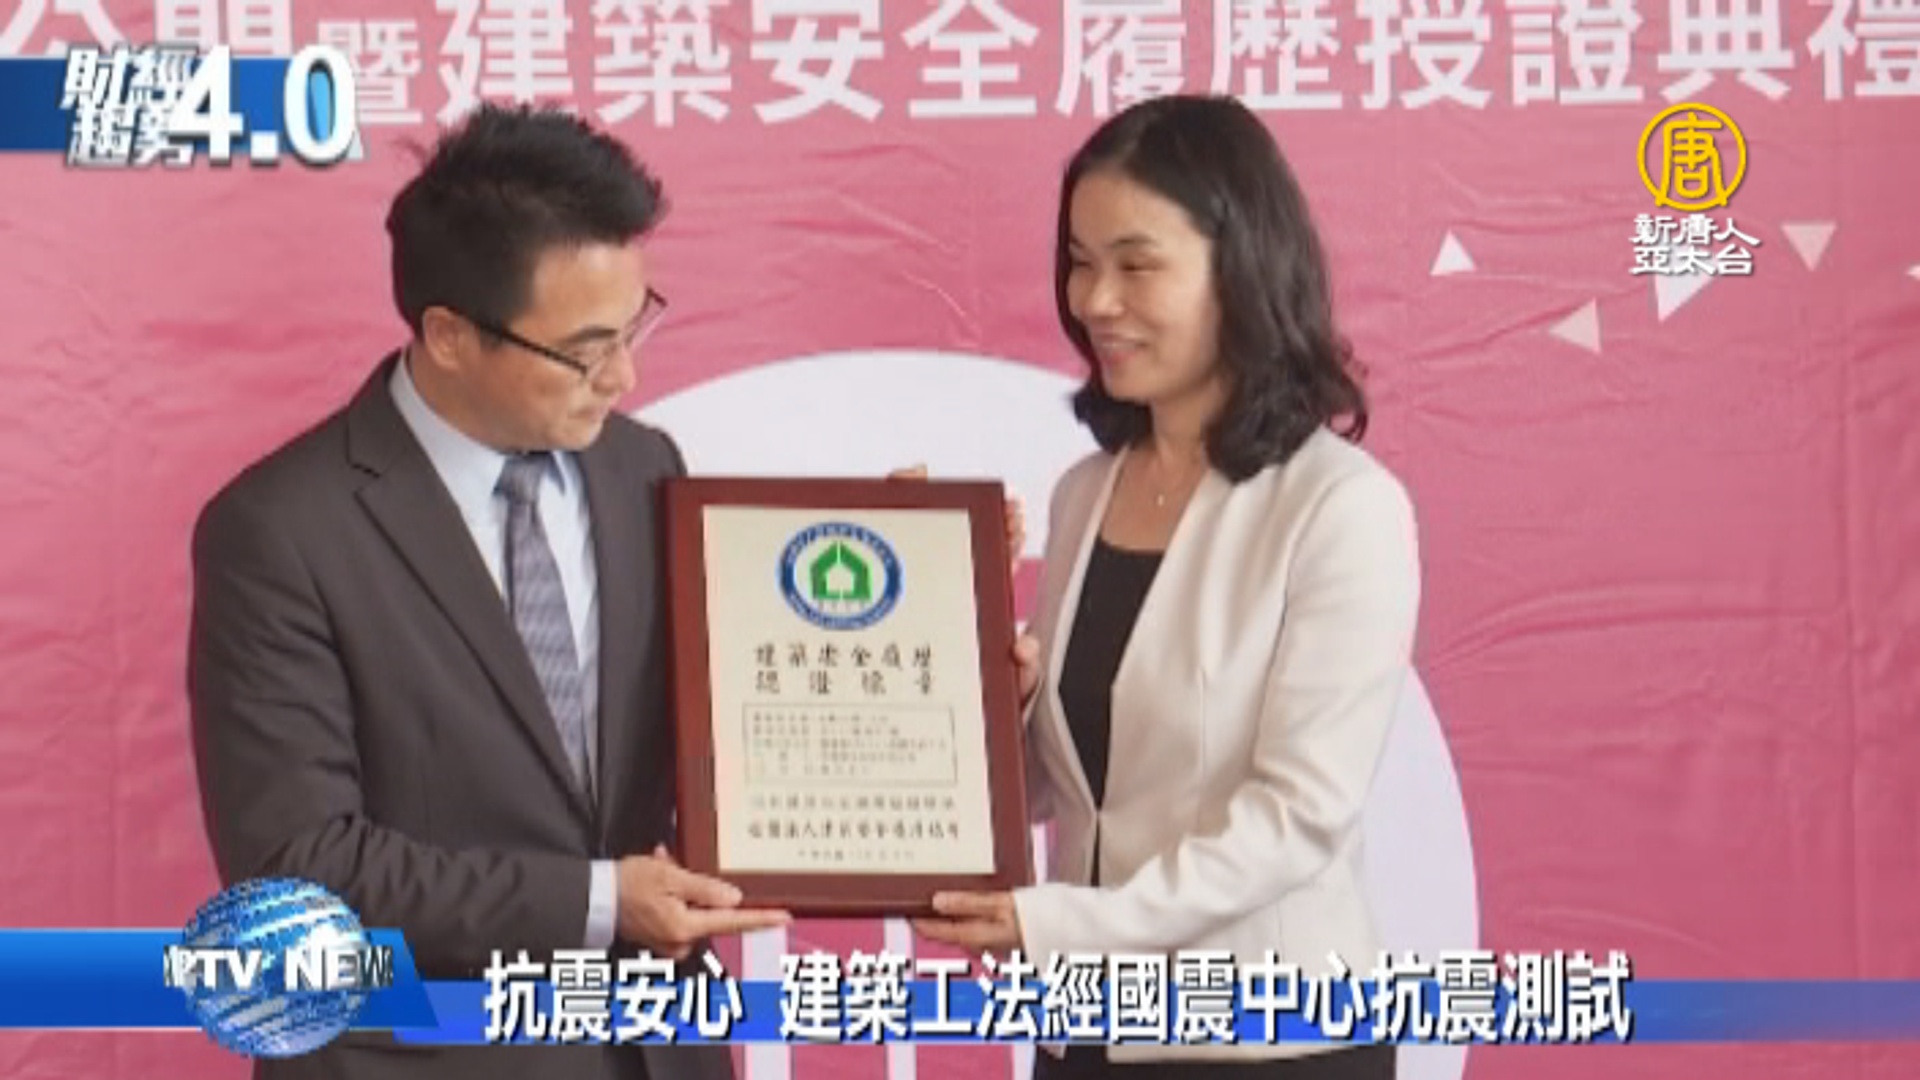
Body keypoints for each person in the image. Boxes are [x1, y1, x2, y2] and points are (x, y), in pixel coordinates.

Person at [187, 104, 792, 1080]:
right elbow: (298, 869)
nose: (625, 375)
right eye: (586, 349)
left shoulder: (643, 466)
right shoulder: (282, 532)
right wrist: (601, 902)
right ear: (450, 335)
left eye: (636, 323)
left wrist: (919, 592)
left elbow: (718, 708)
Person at [913, 94, 1421, 1080]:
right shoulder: (1085, 492)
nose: (1095, 300)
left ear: (1241, 269)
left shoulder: (1339, 507)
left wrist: (1065, 924)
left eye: (1136, 264)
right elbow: (1073, 779)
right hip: (1084, 1030)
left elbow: (1299, 815)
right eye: (1079, 261)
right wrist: (958, 657)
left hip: (1267, 1039)